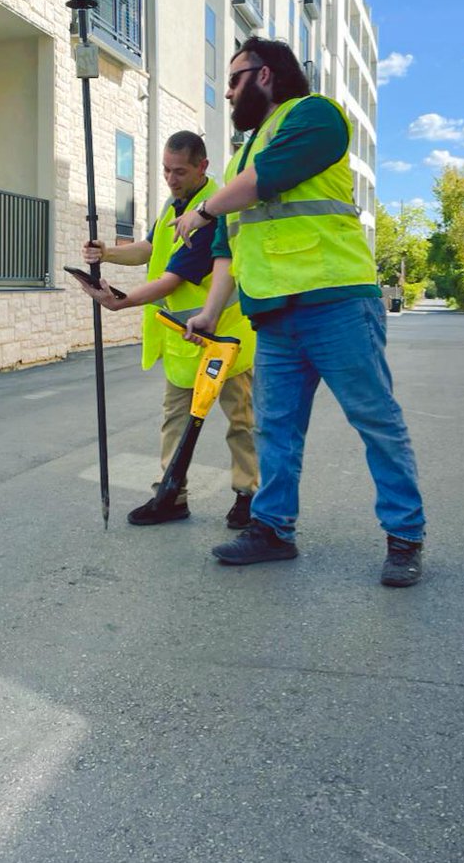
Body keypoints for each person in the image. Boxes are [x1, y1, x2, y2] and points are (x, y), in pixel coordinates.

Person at [173, 40, 426, 587]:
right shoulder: (242, 157)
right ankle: (272, 530)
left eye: (235, 78)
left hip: (336, 303)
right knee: (276, 431)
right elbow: (228, 252)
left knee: (375, 421)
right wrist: (210, 314)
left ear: (264, 75)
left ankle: (405, 537)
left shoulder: (315, 116)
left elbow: (270, 178)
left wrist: (203, 207)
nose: (230, 90)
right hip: (275, 317)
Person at [75, 131, 258, 529]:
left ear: (202, 167)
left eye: (179, 171)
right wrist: (106, 252)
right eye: (166, 170)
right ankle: (171, 493)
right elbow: (148, 247)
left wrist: (123, 301)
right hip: (182, 339)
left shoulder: (215, 211)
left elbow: (175, 277)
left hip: (224, 340)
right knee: (174, 419)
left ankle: (248, 497)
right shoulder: (175, 204)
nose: (171, 178)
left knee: (240, 422)